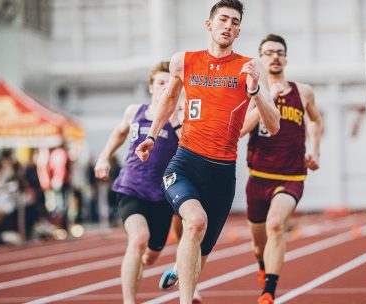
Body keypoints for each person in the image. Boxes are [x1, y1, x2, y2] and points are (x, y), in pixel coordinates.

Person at [135, 1, 280, 303]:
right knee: (195, 223)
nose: (228, 26)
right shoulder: (183, 61)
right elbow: (168, 99)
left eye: (235, 22)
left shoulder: (249, 68)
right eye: (223, 19)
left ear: (239, 31)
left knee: (201, 248)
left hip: (222, 172)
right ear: (209, 25)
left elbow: (274, 124)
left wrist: (254, 90)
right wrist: (150, 135)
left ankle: (182, 266)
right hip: (185, 163)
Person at [240, 34, 323, 304]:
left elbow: (315, 120)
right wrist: (265, 100)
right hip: (258, 177)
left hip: (291, 176)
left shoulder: (304, 91)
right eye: (268, 52)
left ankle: (269, 293)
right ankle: (263, 267)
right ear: (260, 59)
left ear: (285, 58)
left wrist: (315, 151)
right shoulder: (251, 90)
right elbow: (240, 130)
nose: (274, 56)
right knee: (258, 244)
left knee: (276, 224)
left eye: (279, 52)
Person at [94, 61, 182, 304]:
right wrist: (104, 157)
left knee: (151, 255)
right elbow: (120, 132)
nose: (166, 87)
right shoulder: (135, 111)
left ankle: (141, 261)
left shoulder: (181, 116)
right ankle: (129, 300)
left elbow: (189, 145)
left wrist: (175, 121)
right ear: (151, 87)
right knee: (138, 239)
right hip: (131, 187)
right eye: (161, 83)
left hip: (162, 196)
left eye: (171, 83)